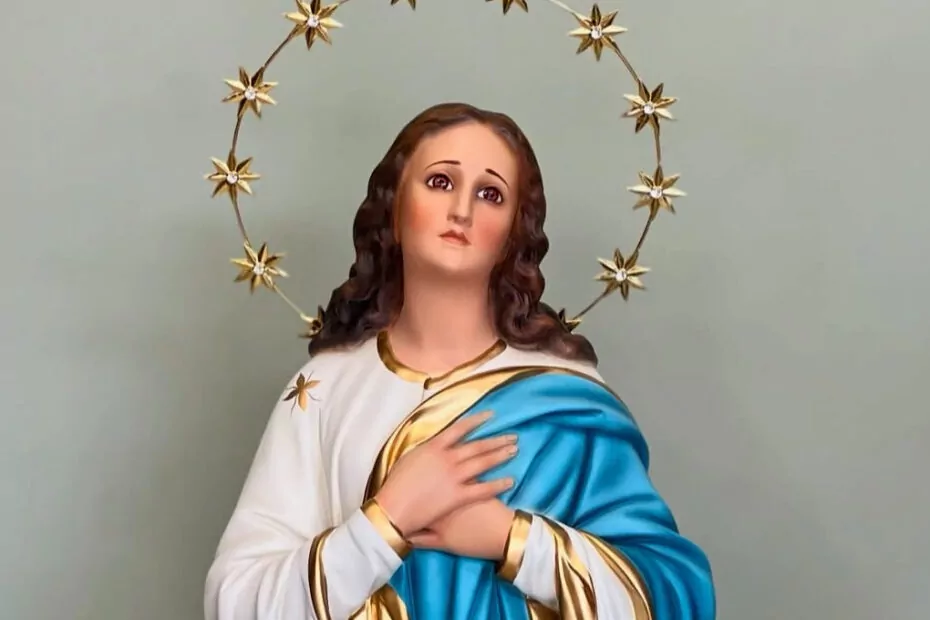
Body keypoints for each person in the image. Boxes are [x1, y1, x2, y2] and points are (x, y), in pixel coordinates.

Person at [204, 102, 715, 620]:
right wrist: (385, 522)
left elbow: (671, 594)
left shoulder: (567, 398)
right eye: (440, 182)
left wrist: (514, 540)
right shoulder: (325, 389)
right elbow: (237, 601)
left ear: (513, 233)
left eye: (490, 194)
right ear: (393, 209)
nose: (462, 211)